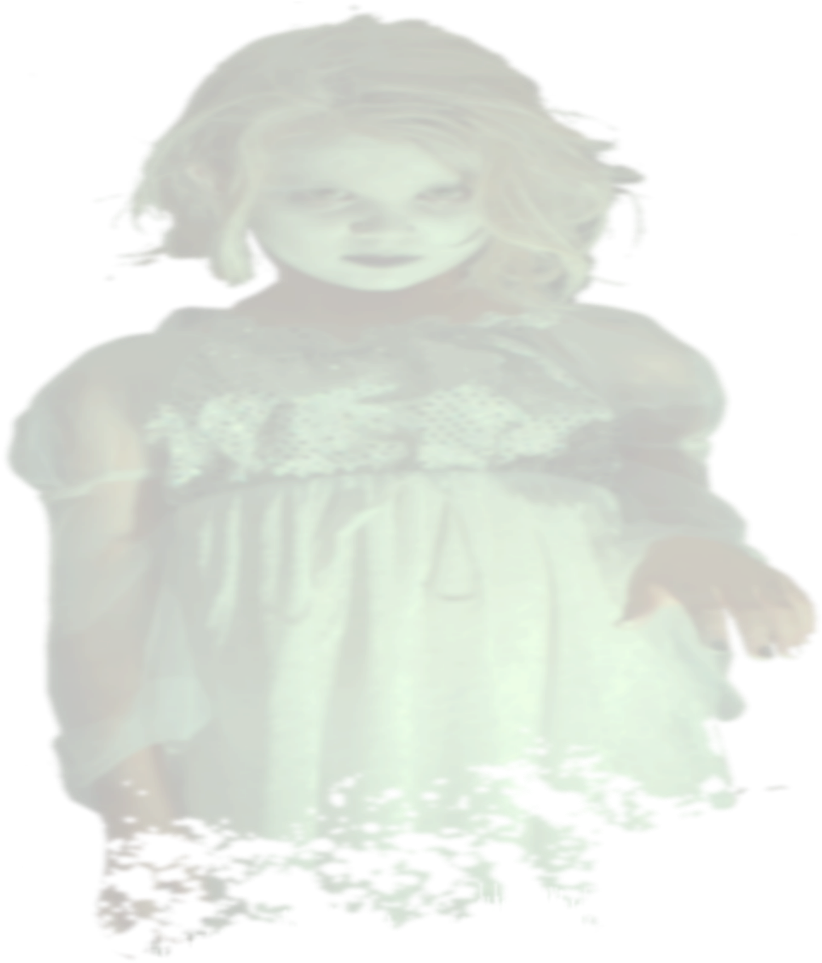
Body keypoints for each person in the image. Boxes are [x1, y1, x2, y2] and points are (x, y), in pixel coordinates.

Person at [8, 13, 817, 954]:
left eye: (441, 192)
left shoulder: (613, 359)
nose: (389, 228)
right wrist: (138, 817)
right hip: (287, 749)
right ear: (224, 181)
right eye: (326, 193)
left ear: (502, 183)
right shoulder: (135, 386)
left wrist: (693, 546)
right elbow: (98, 615)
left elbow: (668, 490)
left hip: (562, 723)